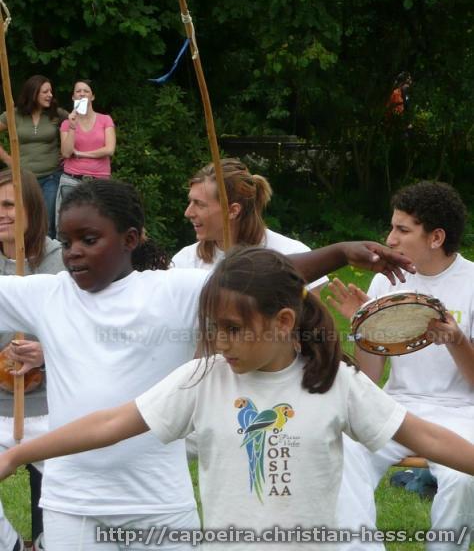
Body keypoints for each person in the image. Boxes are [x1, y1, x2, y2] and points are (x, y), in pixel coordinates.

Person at [0, 175, 414, 550]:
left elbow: (263, 279)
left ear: (130, 239)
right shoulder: (46, 295)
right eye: (66, 242)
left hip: (159, 503)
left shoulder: (171, 291)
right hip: (73, 503)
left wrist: (340, 252)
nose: (73, 253)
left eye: (89, 240)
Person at [328, 181, 474, 551]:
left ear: (436, 237)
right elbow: (370, 378)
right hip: (398, 407)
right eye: (392, 227)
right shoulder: (387, 280)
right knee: (343, 455)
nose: (390, 239)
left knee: (462, 479)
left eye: (403, 230)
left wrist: (456, 340)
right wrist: (364, 328)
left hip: (461, 412)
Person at [0, 168, 65, 551]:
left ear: (32, 209)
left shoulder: (62, 261)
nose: (1, 214)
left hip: (53, 408)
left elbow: (87, 333)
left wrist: (46, 352)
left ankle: (44, 543)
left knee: (65, 499)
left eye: (9, 205)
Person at [172, 158, 328, 292]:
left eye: (199, 204)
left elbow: (312, 318)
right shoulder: (183, 263)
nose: (188, 212)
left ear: (233, 210)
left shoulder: (293, 255)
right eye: (190, 202)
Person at [0, 75, 68, 238]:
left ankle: (47, 253)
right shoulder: (14, 114)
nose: (50, 95)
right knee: (24, 220)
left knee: (47, 222)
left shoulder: (56, 113)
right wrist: (8, 159)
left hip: (51, 177)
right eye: (45, 92)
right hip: (23, 178)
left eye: (51, 91)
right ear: (33, 93)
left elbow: (80, 126)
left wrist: (67, 152)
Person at [55, 79, 116, 222]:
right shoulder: (67, 123)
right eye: (78, 91)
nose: (82, 94)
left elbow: (109, 149)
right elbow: (66, 153)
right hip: (72, 180)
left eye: (86, 91)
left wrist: (81, 154)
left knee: (100, 224)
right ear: (73, 97)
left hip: (100, 181)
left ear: (92, 96)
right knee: (68, 224)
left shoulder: (105, 120)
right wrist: (72, 126)